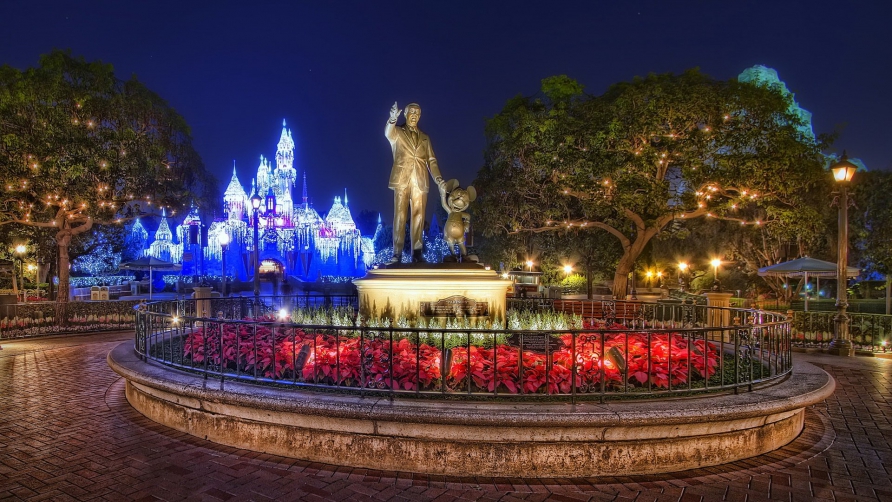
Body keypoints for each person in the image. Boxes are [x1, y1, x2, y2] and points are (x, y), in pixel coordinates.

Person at [385, 102, 445, 263]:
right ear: (405, 114)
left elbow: (432, 160)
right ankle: (397, 253)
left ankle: (417, 253)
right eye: (412, 112)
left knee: (419, 216)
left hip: (420, 180)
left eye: (418, 113)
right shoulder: (398, 132)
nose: (415, 115)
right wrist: (392, 119)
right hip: (402, 179)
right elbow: (388, 133)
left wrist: (438, 179)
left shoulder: (425, 138)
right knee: (400, 215)